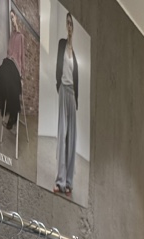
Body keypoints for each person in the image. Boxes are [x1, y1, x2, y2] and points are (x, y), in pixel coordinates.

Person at [53, 12, 79, 197]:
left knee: (72, 139)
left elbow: (76, 79)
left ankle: (69, 183)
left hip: (72, 94)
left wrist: (76, 99)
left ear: (73, 28)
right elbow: (58, 67)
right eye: (67, 23)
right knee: (62, 134)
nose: (69, 26)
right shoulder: (62, 44)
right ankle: (60, 181)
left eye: (71, 24)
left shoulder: (75, 54)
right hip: (63, 89)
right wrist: (59, 85)